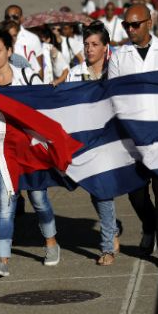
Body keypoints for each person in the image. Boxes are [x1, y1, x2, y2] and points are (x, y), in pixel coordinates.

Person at [0, 30, 61, 277]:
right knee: (5, 202)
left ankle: (51, 242)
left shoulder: (25, 75)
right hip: (1, 149)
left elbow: (45, 103)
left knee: (39, 199)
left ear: (10, 52)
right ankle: (2, 260)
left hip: (30, 147)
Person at [107, 5, 158, 269]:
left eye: (135, 24)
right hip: (133, 137)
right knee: (137, 192)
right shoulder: (119, 57)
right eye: (126, 25)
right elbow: (113, 95)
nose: (130, 30)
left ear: (149, 23)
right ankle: (148, 225)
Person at [64, 21, 121, 264]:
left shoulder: (116, 70)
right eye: (86, 44)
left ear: (106, 47)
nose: (89, 49)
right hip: (85, 141)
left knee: (103, 191)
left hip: (112, 138)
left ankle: (107, 246)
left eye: (95, 44)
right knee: (97, 192)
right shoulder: (75, 72)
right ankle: (112, 234)